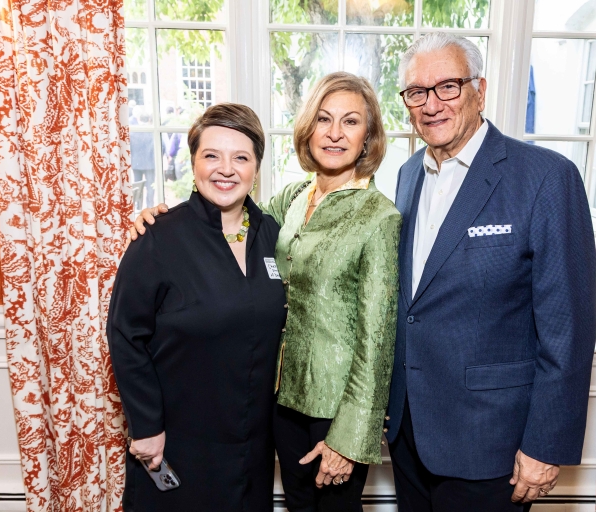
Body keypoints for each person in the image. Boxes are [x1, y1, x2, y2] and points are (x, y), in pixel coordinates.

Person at [132, 72, 401, 511]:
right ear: (308, 128)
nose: (334, 133)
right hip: (280, 404)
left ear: (367, 136)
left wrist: (351, 437)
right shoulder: (291, 200)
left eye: (350, 121)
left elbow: (378, 339)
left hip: (334, 412)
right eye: (324, 119)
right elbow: (229, 216)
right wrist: (162, 219)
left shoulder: (378, 216)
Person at [384, 33, 596, 511]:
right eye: (417, 92)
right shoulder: (407, 174)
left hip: (492, 444)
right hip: (410, 436)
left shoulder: (545, 177)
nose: (431, 104)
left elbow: (568, 327)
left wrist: (546, 445)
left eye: (448, 86)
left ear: (479, 90)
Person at [108, 103, 286, 511]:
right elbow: (125, 334)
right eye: (211, 156)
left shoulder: (272, 235)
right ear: (193, 163)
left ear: (256, 167)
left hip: (251, 448)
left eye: (240, 158)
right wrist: (146, 427)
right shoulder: (158, 238)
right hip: (177, 443)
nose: (226, 170)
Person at [129, 111, 155, 207]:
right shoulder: (152, 132)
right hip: (150, 163)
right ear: (149, 119)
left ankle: (138, 206)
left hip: (136, 163)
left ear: (138, 119)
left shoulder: (133, 132)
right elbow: (162, 146)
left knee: (137, 186)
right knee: (150, 187)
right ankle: (150, 206)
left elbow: (129, 148)